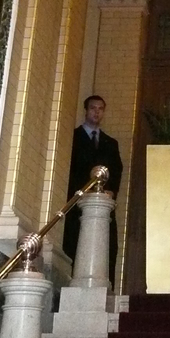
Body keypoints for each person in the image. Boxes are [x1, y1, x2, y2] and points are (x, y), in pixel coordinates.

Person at [64, 94, 123, 284]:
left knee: (105, 247)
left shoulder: (110, 143)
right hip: (79, 202)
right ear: (86, 111)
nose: (97, 112)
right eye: (93, 108)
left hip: (102, 203)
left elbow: (116, 170)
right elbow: (69, 168)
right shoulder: (72, 138)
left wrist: (111, 191)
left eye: (100, 109)